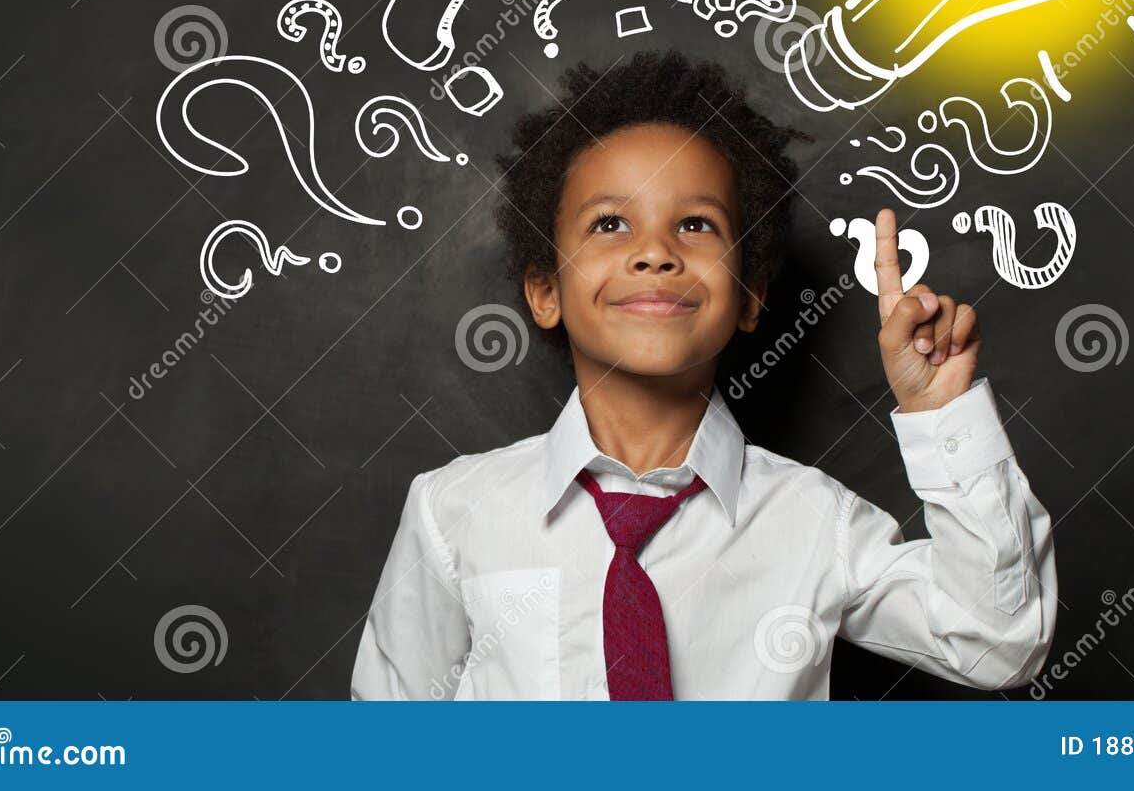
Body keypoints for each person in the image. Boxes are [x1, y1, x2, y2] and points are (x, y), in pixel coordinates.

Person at [351, 50, 1055, 699]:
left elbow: (998, 640)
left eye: (695, 225)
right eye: (607, 225)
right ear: (544, 291)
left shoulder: (815, 522)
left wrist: (940, 413)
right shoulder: (453, 513)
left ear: (749, 296)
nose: (655, 251)